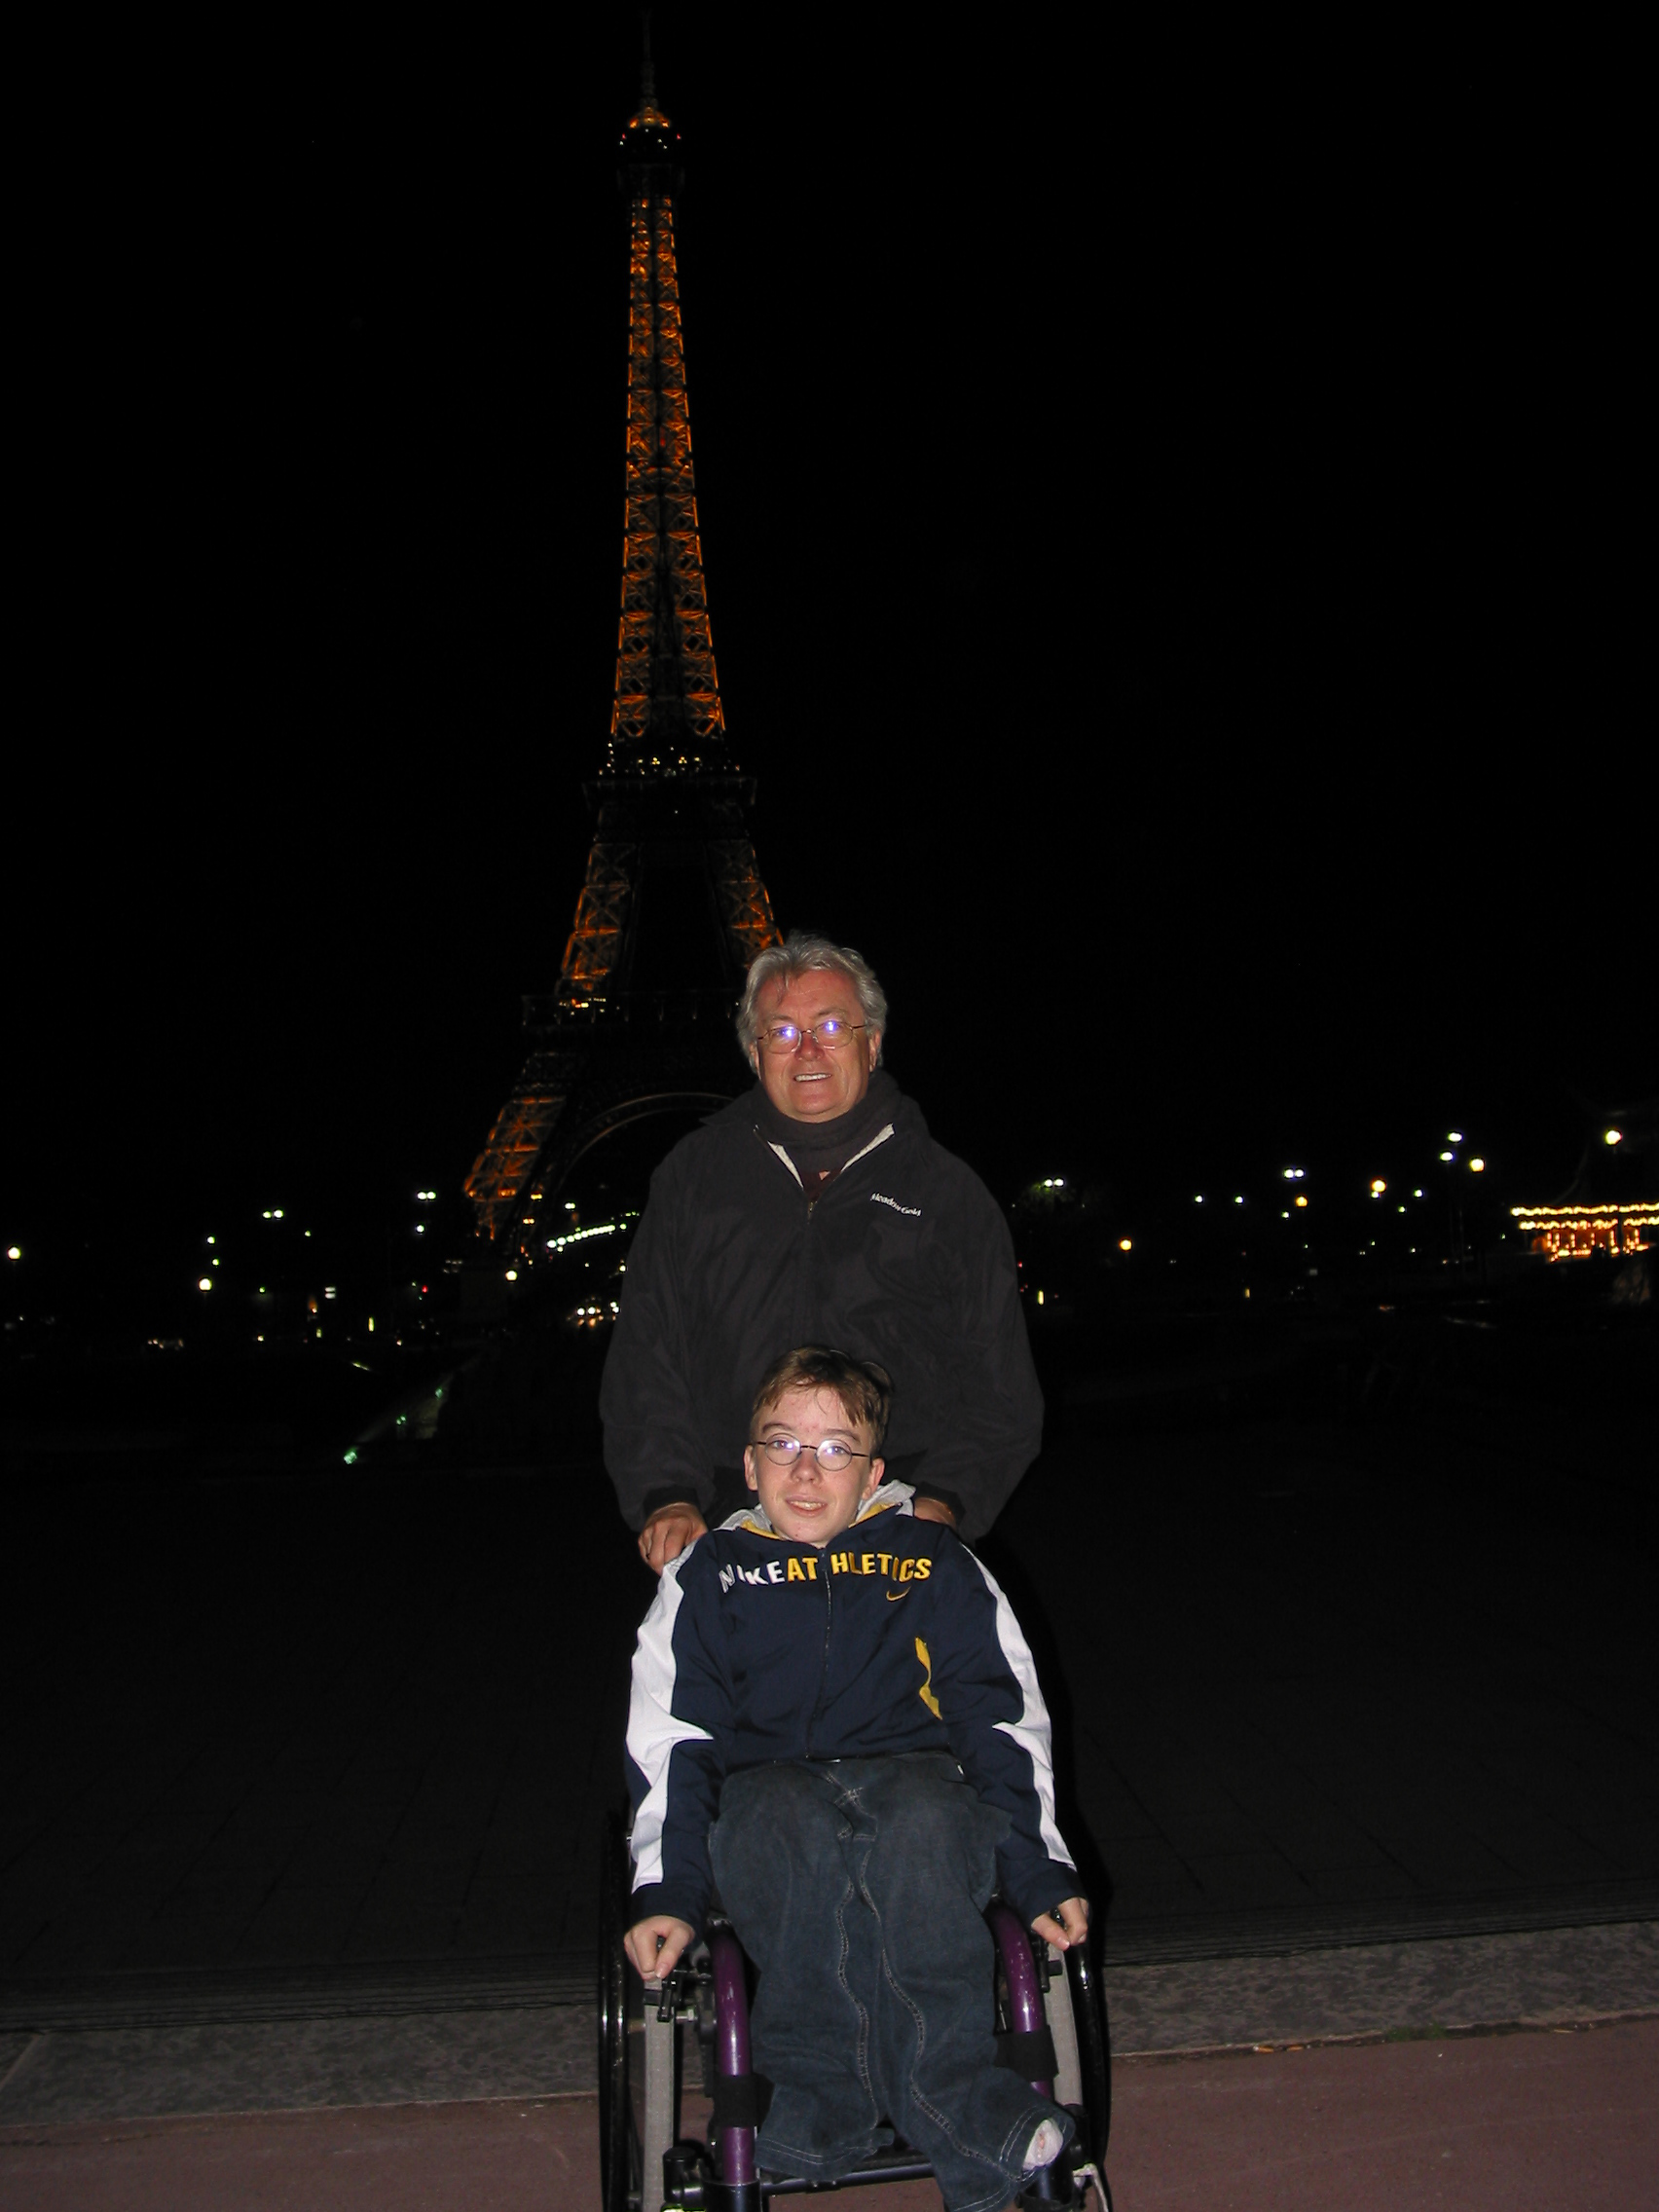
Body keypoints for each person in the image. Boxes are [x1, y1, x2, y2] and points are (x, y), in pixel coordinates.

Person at [624, 1346, 1087, 2211]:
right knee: (788, 1833)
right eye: (783, 1444)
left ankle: (954, 2100)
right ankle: (815, 2104)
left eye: (834, 1449)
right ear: (750, 1462)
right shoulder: (709, 1576)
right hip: (765, 1784)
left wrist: (1035, 1868)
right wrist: (669, 1891)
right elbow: (673, 1741)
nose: (807, 1470)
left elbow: (999, 1720)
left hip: (910, 1773)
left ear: (873, 1472)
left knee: (925, 1828)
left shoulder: (933, 1563)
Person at [602, 932, 1043, 1570]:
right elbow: (647, 1353)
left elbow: (999, 1387)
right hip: (730, 1519)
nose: (805, 1048)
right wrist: (667, 1495)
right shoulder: (691, 1178)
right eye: (780, 1032)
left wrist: (944, 1503)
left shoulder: (947, 1193)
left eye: (831, 1025)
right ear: (755, 1056)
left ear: (873, 1042)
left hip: (895, 1518)